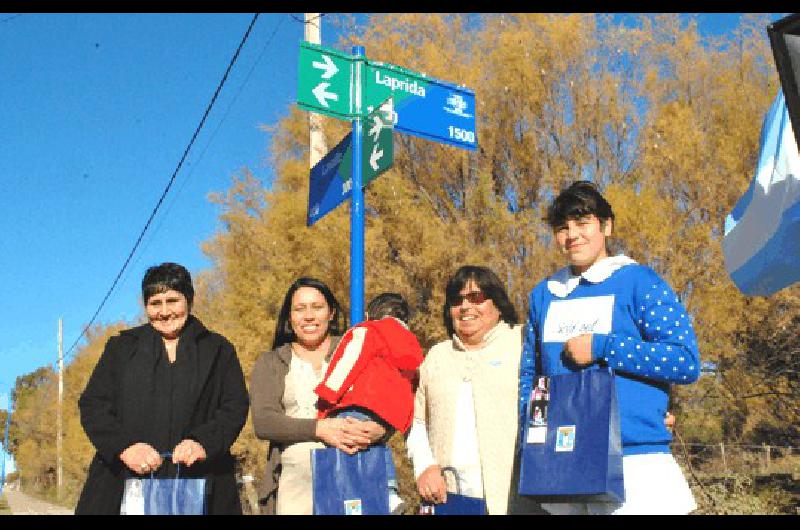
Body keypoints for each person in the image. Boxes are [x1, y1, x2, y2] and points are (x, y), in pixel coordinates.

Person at [518, 180, 701, 515]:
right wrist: (531, 442)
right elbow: (531, 379)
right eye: (562, 227)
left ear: (606, 226)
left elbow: (685, 361)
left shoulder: (640, 281)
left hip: (634, 459)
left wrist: (604, 347)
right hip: (565, 463)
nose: (572, 235)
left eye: (582, 223)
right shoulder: (543, 295)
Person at [76, 262, 249, 514]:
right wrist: (124, 447)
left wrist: (203, 443)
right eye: (155, 303)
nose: (165, 312)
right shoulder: (121, 348)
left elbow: (234, 406)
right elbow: (94, 405)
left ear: (189, 299)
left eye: (173, 300)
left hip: (202, 482)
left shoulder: (218, 350)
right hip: (123, 481)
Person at [249, 277, 388, 515]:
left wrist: (381, 429)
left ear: (331, 313)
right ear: (289, 317)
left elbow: (391, 402)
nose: (309, 316)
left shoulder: (356, 352)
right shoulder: (271, 362)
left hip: (353, 480)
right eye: (299, 309)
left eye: (317, 307)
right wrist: (319, 429)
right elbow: (264, 422)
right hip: (295, 489)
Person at [406, 265, 537, 515]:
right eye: (457, 300)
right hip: (450, 499)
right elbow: (416, 421)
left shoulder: (522, 343)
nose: (466, 307)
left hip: (515, 498)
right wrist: (425, 466)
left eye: (476, 297)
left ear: (497, 304)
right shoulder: (437, 356)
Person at [315, 292, 424, 514]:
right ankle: (389, 491)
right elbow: (413, 382)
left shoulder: (368, 330)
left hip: (361, 401)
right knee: (376, 446)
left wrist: (327, 396)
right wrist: (399, 419)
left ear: (368, 315)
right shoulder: (412, 344)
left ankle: (345, 501)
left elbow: (349, 359)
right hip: (389, 413)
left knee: (347, 446)